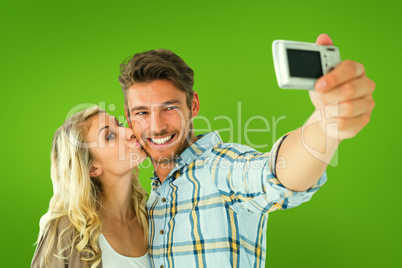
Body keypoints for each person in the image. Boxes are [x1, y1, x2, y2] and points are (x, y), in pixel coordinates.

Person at [118, 34, 375, 267]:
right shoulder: (147, 201)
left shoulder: (221, 168)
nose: (157, 126)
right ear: (129, 119)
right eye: (141, 112)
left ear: (193, 105)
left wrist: (326, 125)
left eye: (169, 107)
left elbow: (275, 175)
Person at [31, 106, 151, 268]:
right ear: (92, 168)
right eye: (110, 136)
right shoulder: (65, 231)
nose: (129, 132)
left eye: (120, 125)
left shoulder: (151, 214)